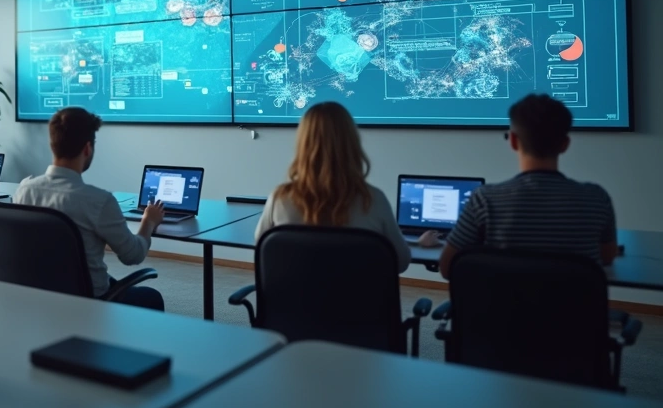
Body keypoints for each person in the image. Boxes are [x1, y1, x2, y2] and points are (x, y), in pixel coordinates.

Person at [440, 94, 617, 278]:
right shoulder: (596, 198)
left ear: (513, 141)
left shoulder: (485, 200)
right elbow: (606, 257)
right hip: (574, 298)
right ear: (565, 144)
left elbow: (447, 267)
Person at [12, 107, 166, 311]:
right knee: (153, 298)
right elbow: (133, 255)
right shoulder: (99, 201)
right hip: (87, 301)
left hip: (37, 295)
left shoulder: (24, 190)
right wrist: (149, 221)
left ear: (52, 145)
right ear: (87, 149)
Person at [255, 101, 411, 272]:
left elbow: (263, 251)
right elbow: (400, 262)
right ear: (352, 143)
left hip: (294, 291)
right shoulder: (373, 200)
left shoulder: (280, 199)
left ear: (303, 144)